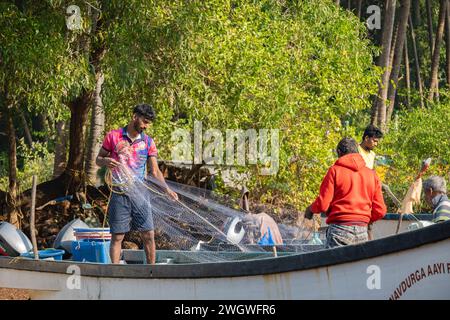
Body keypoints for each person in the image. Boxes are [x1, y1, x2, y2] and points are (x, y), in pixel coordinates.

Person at [96, 103, 178, 264]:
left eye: (148, 123)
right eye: (144, 122)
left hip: (140, 192)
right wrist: (105, 161)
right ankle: (114, 272)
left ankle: (151, 271)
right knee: (118, 236)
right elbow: (98, 160)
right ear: (135, 117)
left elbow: (154, 171)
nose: (146, 126)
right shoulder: (114, 136)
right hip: (119, 192)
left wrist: (167, 190)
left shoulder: (148, 142)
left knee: (148, 234)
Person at [304, 137, 387, 248]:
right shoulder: (372, 174)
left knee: (336, 265)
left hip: (339, 230)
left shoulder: (334, 171)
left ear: (339, 152)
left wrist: (310, 209)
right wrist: (364, 219)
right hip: (362, 232)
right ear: (357, 152)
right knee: (358, 265)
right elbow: (380, 210)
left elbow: (323, 205)